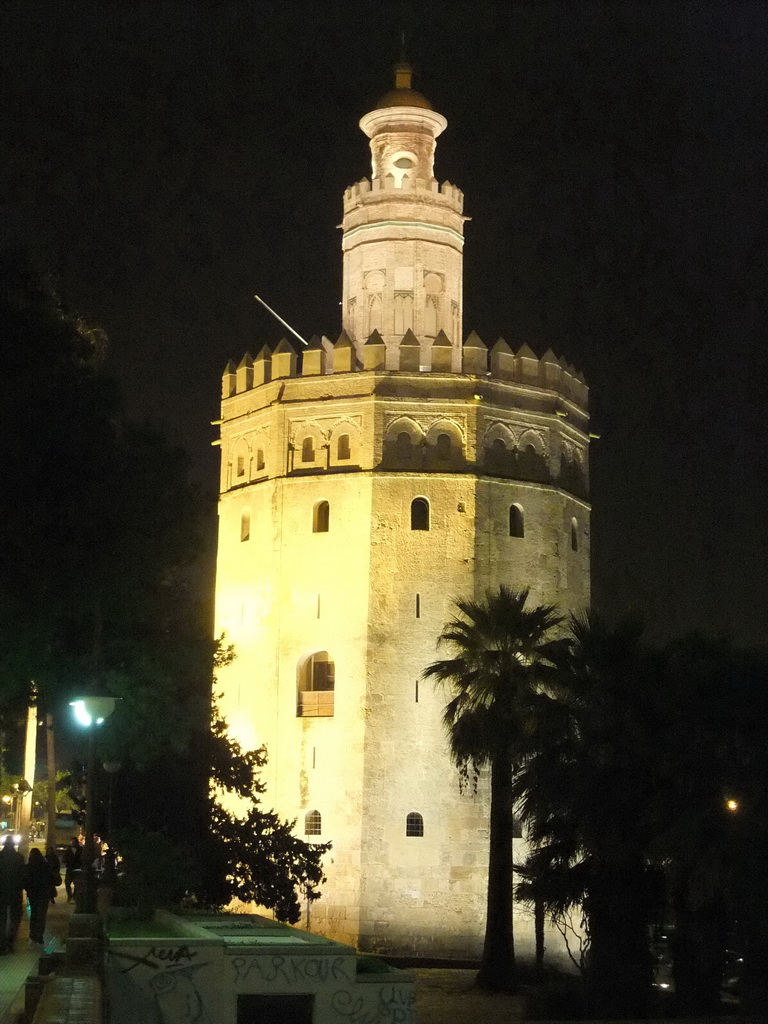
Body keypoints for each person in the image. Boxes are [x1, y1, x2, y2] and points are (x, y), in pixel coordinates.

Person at [24, 848, 54, 946]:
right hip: (44, 894)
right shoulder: (46, 866)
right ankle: (39, 935)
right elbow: (52, 879)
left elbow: (25, 880)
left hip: (33, 894)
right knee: (42, 915)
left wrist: (28, 889)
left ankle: (33, 934)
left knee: (34, 914)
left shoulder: (29, 867)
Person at [0, 838, 25, 953]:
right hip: (15, 891)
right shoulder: (19, 858)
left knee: (2, 918)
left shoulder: (0, 857)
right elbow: (22, 875)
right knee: (15, 917)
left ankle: (1, 943)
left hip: (2, 892)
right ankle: (11, 941)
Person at [62, 837, 81, 902]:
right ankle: (69, 895)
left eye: (73, 842)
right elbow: (64, 858)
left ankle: (74, 896)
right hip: (70, 868)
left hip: (77, 868)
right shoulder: (68, 849)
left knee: (77, 883)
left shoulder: (80, 849)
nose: (72, 843)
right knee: (67, 883)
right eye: (71, 842)